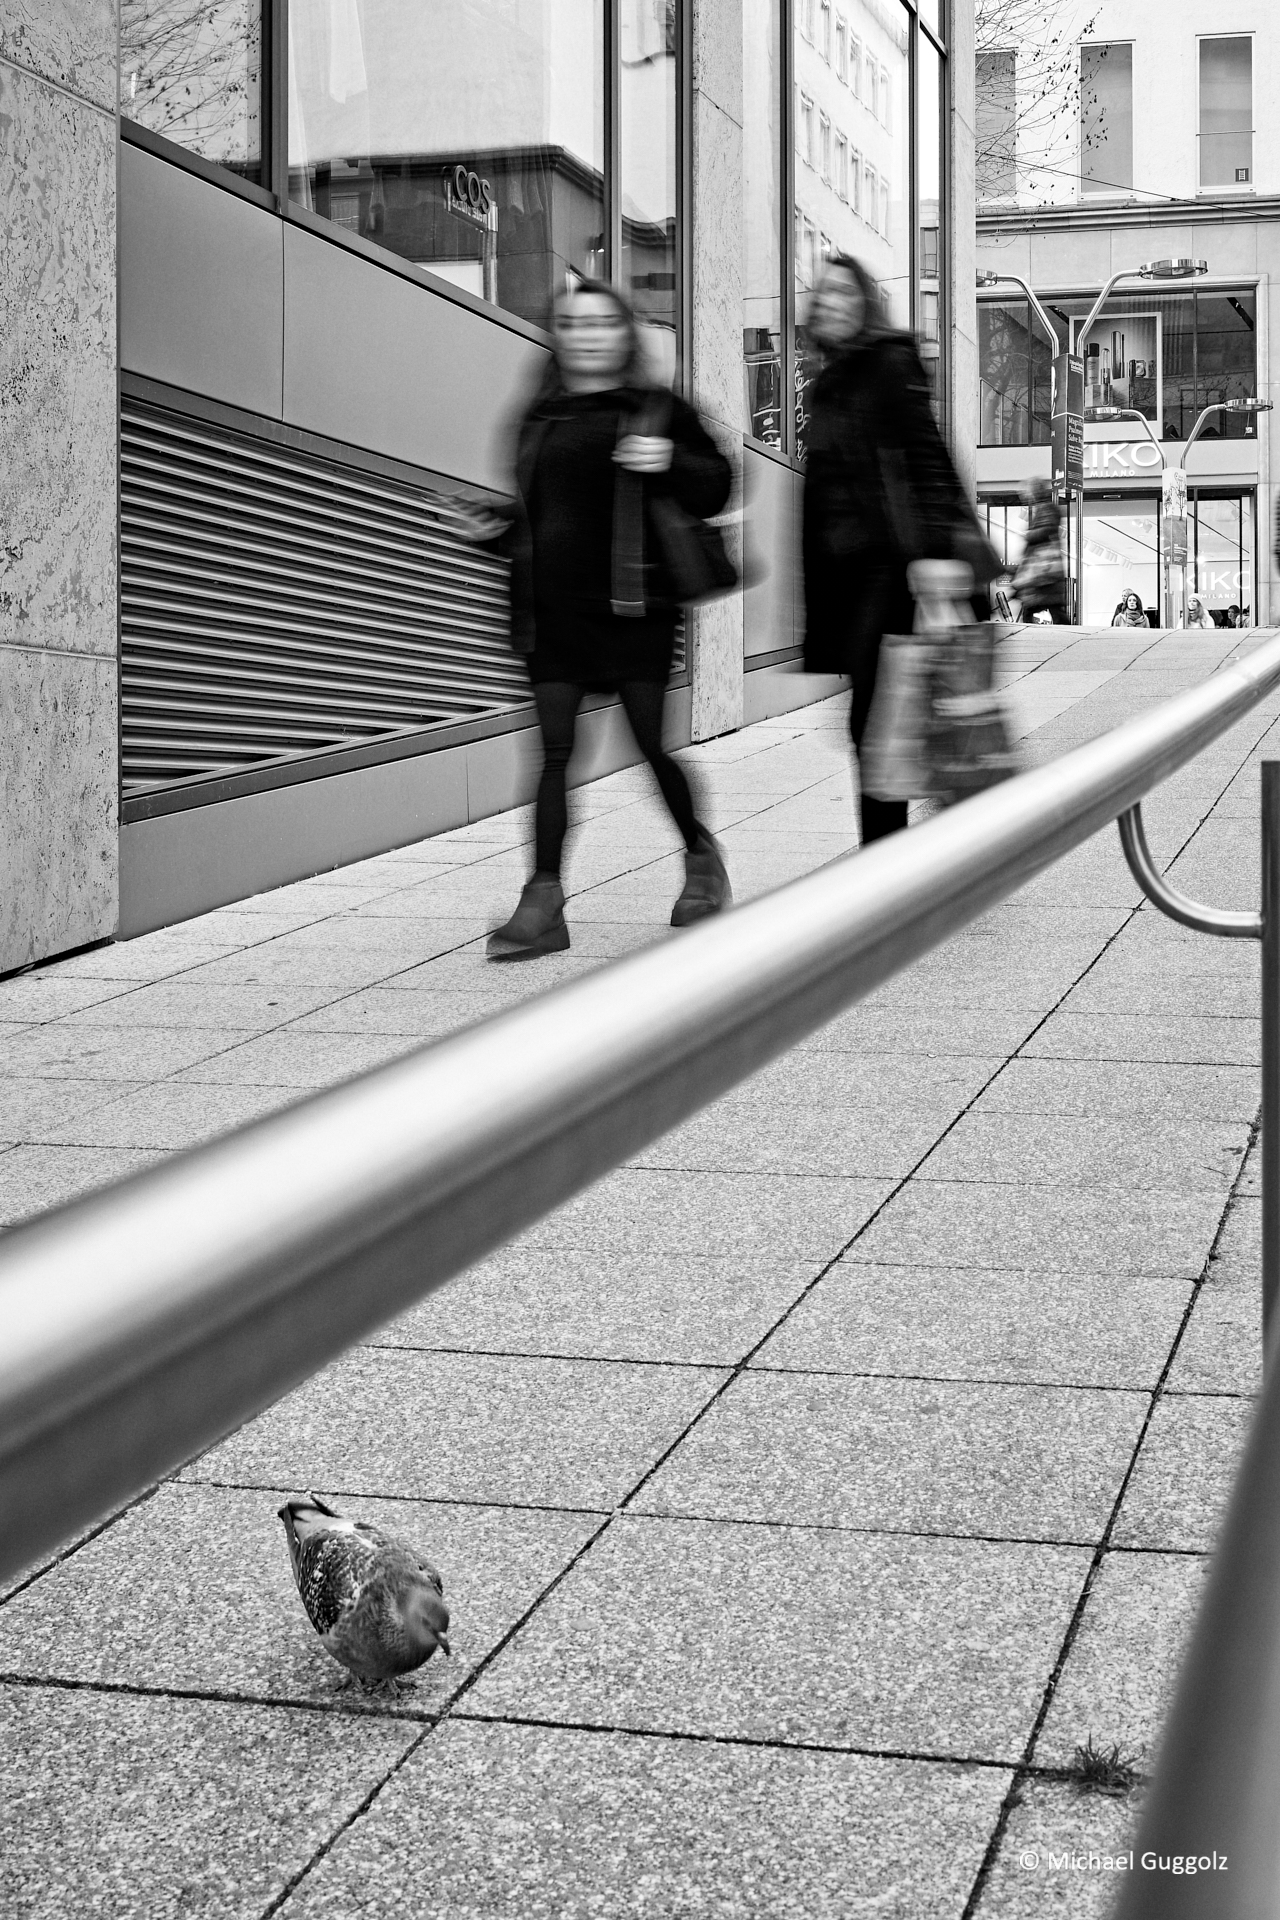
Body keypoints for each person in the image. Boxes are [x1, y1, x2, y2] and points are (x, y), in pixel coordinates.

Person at [465, 281, 733, 960]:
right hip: (552, 614)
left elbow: (716, 486)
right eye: (573, 324)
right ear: (558, 337)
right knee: (554, 753)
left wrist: (668, 460)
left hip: (634, 608)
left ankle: (702, 862)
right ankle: (543, 902)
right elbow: (537, 518)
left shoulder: (657, 409)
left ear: (623, 335)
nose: (586, 336)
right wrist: (494, 531)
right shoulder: (539, 417)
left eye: (601, 324)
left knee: (649, 744)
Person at [800, 254, 997, 845]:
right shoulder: (828, 382)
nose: (831, 301)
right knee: (886, 723)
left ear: (866, 303)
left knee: (881, 724)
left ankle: (889, 860)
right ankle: (927, 848)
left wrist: (935, 552)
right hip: (855, 577)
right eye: (823, 292)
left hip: (897, 572)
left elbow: (927, 456)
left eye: (845, 292)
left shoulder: (888, 361)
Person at [1010, 479, 1068, 624]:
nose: (1026, 497)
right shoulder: (1046, 508)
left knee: (1040, 608)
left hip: (1043, 569)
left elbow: (1046, 529)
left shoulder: (1046, 508)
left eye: (1028, 493)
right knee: (1047, 608)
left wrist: (1029, 535)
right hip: (1044, 571)